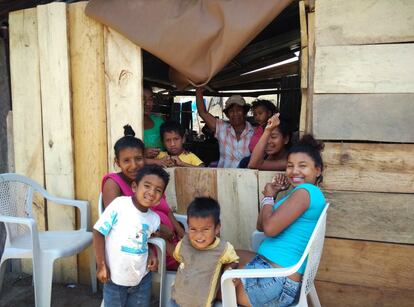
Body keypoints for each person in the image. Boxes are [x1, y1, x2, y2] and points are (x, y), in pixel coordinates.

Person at [234, 134, 327, 307]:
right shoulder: (300, 194)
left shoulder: (305, 192)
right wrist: (273, 195)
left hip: (274, 282)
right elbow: (261, 226)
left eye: (303, 166)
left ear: (318, 170)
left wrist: (269, 196)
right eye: (290, 166)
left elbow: (269, 229)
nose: (294, 171)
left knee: (210, 284)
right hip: (274, 275)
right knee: (226, 255)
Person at [101, 125, 185, 270]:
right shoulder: (113, 183)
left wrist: (181, 232)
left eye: (138, 158)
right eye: (126, 160)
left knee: (210, 252)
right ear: (117, 162)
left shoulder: (147, 179)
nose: (134, 165)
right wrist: (158, 230)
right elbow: (117, 222)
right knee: (203, 262)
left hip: (172, 240)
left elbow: (166, 210)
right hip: (152, 246)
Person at [93, 164, 169, 307]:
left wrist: (152, 254)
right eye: (147, 186)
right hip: (114, 279)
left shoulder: (154, 219)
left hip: (142, 279)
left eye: (158, 190)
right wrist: (101, 265)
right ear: (134, 187)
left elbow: (146, 239)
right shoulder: (120, 205)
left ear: (160, 199)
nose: (151, 192)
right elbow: (98, 232)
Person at [171, 197, 239, 307]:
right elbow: (178, 258)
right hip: (176, 301)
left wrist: (228, 269)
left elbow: (234, 260)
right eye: (193, 229)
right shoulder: (184, 243)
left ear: (217, 228)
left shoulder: (223, 248)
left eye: (205, 229)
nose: (199, 236)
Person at [196, 87, 254, 168]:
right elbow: (202, 112)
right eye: (231, 111)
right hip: (224, 177)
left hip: (246, 178)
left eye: (239, 110)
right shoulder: (222, 128)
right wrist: (198, 89)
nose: (235, 114)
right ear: (227, 114)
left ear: (244, 112)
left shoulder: (254, 133)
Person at [143, 84, 165, 159]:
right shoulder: (128, 125)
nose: (148, 103)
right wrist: (142, 153)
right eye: (143, 99)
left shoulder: (159, 122)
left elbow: (171, 144)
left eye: (150, 99)